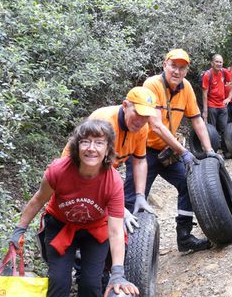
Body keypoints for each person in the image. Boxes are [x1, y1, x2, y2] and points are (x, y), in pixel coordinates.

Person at [10, 119, 139, 297]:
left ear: (107, 149)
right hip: (61, 225)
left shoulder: (112, 180)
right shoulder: (58, 170)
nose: (92, 148)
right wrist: (19, 229)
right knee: (59, 281)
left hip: (95, 229)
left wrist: (118, 271)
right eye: (86, 142)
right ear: (76, 145)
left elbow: (115, 230)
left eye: (99, 143)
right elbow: (38, 200)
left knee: (92, 282)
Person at [124, 48, 219, 253]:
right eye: (173, 66)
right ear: (164, 65)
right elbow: (156, 126)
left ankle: (184, 238)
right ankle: (124, 253)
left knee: (188, 183)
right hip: (143, 151)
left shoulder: (186, 88)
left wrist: (209, 150)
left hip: (167, 151)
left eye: (182, 68)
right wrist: (184, 152)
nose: (177, 71)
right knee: (133, 200)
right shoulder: (152, 85)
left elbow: (196, 119)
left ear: (186, 70)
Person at [62, 87, 160, 234]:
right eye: (138, 113)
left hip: (104, 171)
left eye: (146, 116)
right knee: (88, 217)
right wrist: (119, 209)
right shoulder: (105, 121)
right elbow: (92, 170)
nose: (141, 120)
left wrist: (140, 195)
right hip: (77, 170)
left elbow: (139, 161)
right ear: (125, 105)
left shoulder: (142, 128)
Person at [201, 53, 232, 153]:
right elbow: (204, 94)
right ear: (212, 63)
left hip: (222, 105)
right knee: (212, 129)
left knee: (224, 128)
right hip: (211, 105)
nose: (219, 64)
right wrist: (205, 111)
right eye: (217, 61)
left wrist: (229, 97)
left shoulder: (224, 72)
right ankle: (213, 150)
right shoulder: (208, 75)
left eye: (220, 62)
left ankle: (226, 149)